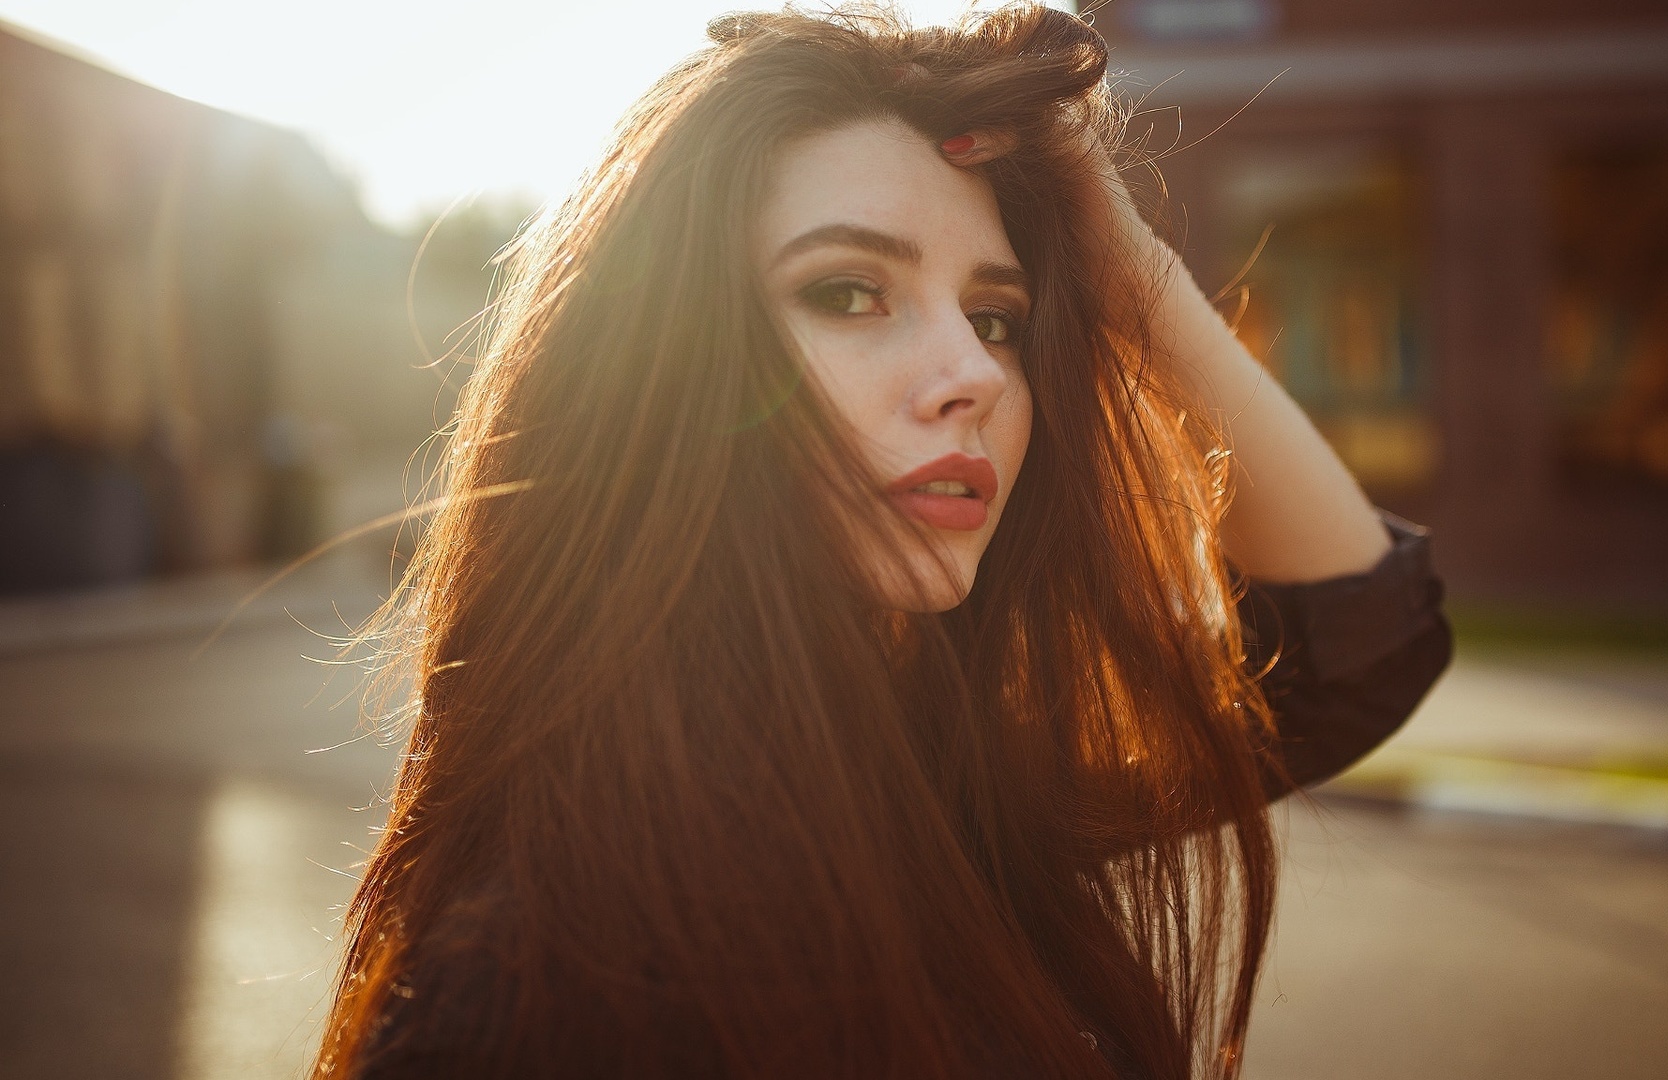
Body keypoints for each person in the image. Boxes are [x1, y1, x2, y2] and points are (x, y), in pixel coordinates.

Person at [311, 6, 1450, 1078]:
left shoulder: (956, 790)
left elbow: (1354, 645)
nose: (971, 377)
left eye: (997, 317)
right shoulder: (528, 992)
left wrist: (1126, 268)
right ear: (657, 374)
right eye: (849, 293)